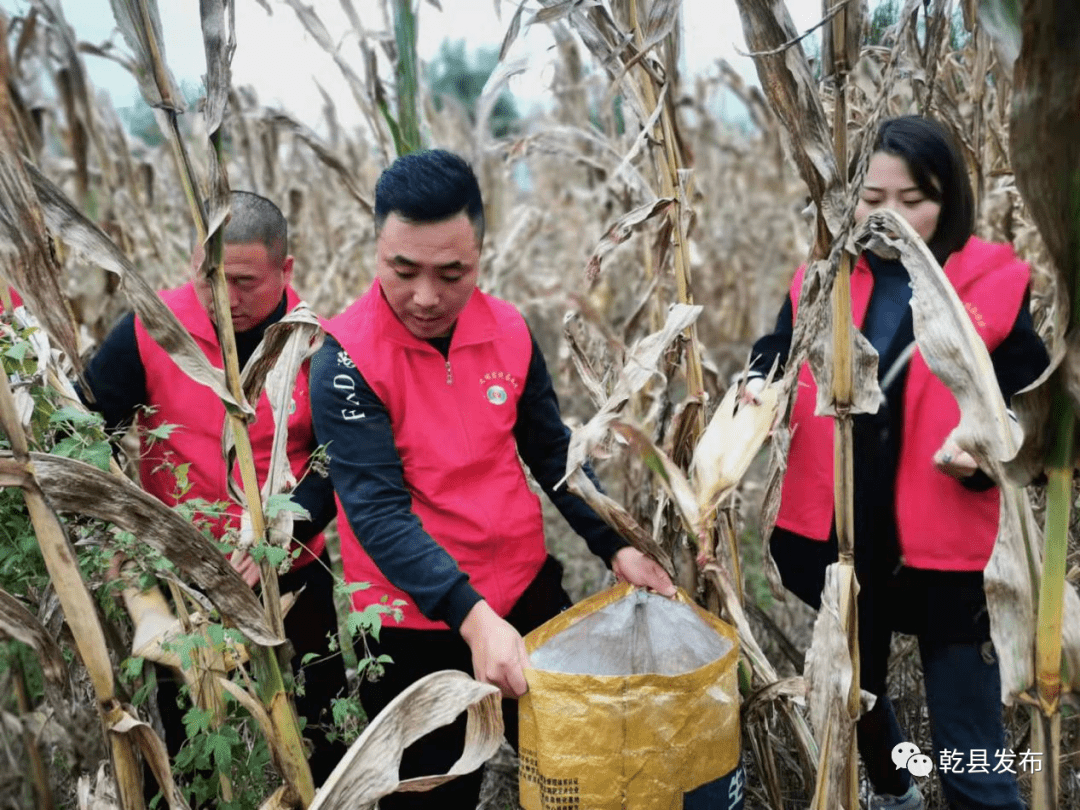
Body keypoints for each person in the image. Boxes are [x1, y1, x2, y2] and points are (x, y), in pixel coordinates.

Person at [309, 149, 675, 809]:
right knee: (436, 793)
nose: (426, 296)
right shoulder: (344, 360)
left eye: (453, 273)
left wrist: (615, 544)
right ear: (376, 250)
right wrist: (473, 621)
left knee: (581, 772)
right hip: (417, 622)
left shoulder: (508, 329)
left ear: (482, 253)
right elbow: (377, 513)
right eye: (403, 270)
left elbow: (550, 448)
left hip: (527, 592)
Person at [747, 115, 1048, 810]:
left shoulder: (993, 284)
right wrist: (757, 383)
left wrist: (989, 444)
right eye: (873, 199)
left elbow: (1031, 404)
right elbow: (777, 349)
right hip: (844, 539)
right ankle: (893, 789)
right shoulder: (824, 280)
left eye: (914, 200)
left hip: (952, 554)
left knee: (970, 753)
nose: (891, 219)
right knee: (856, 692)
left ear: (951, 199)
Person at [80, 191, 347, 787]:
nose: (226, 300)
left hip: (292, 572)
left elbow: (334, 466)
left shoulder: (317, 344)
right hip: (184, 580)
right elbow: (85, 431)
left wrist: (275, 536)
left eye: (246, 281)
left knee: (321, 736)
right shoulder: (150, 330)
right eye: (210, 278)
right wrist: (125, 539)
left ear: (287, 270)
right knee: (188, 749)